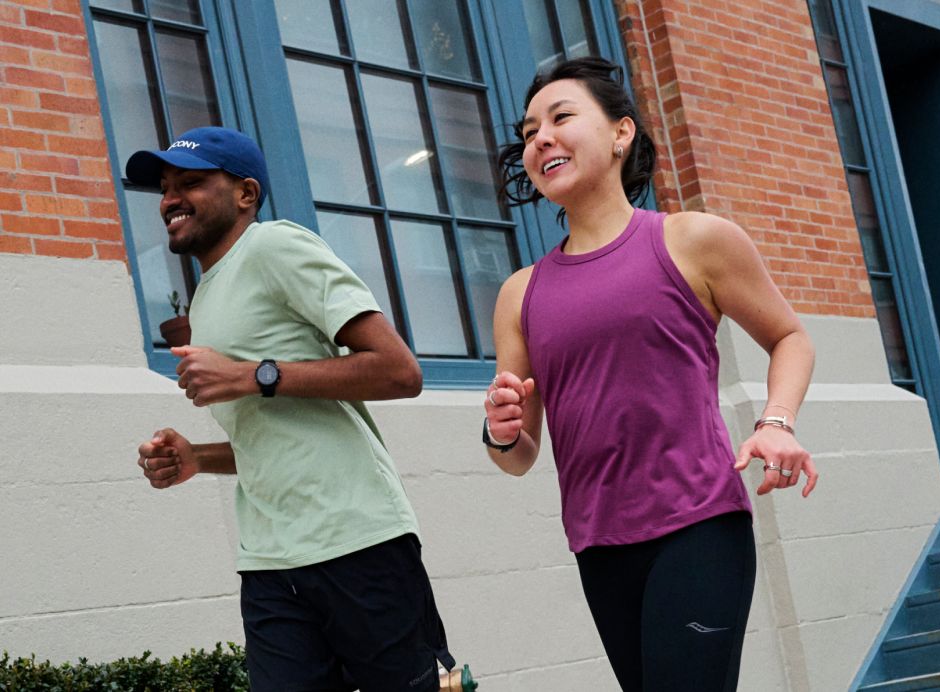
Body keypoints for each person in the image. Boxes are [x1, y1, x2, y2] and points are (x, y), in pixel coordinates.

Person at [483, 57, 818, 691]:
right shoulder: (519, 295)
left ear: (621, 133)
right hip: (598, 547)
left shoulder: (693, 240)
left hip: (698, 528)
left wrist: (776, 421)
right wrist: (501, 431)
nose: (540, 139)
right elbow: (518, 454)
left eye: (560, 118)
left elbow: (789, 336)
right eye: (529, 132)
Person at [128, 126, 455, 692]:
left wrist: (252, 375)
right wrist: (197, 458)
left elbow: (400, 371)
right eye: (164, 188)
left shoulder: (274, 245)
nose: (170, 200)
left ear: (246, 194)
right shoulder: (206, 298)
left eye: (191, 182)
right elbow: (277, 434)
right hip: (269, 561)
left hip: (358, 541)